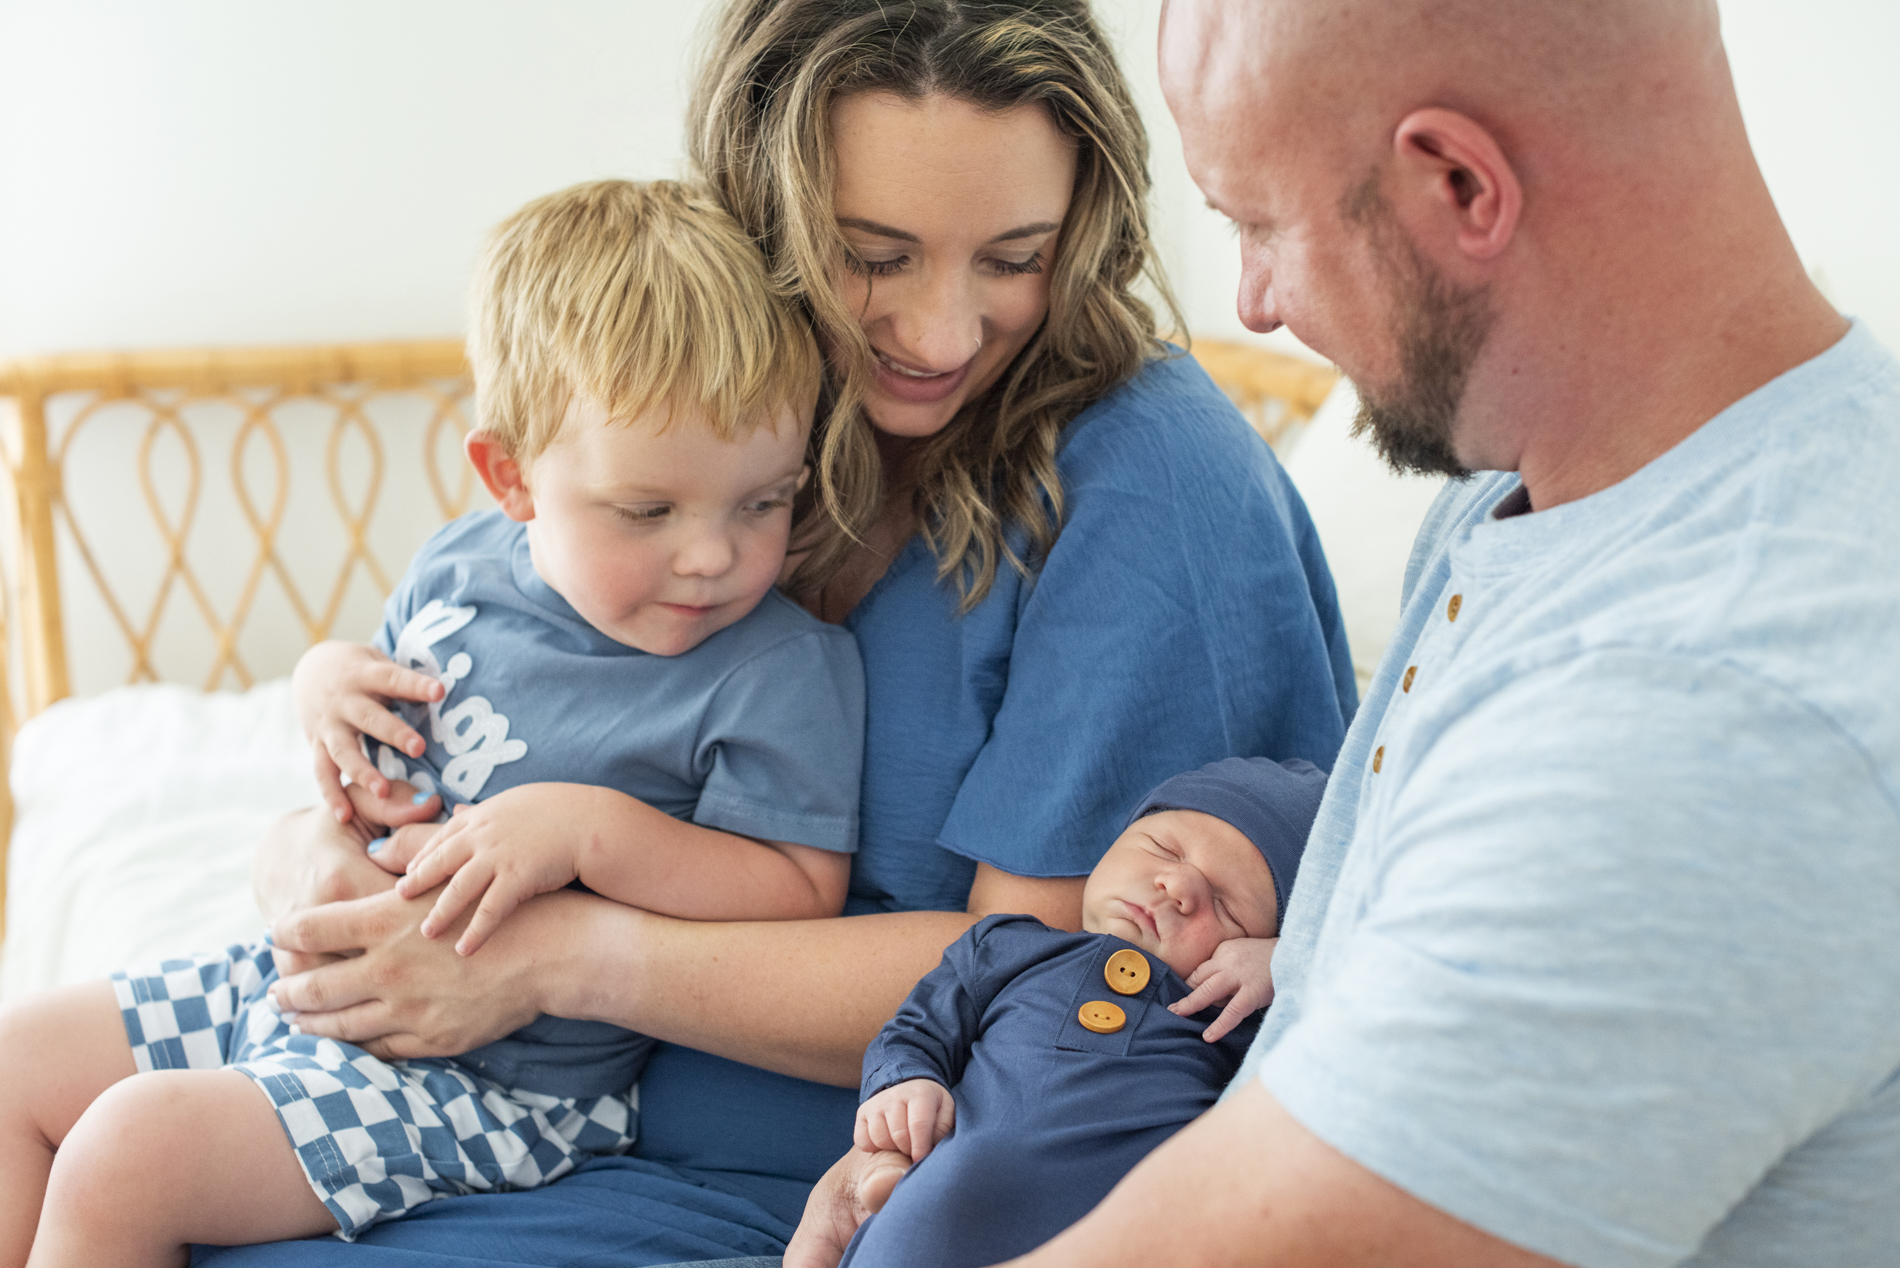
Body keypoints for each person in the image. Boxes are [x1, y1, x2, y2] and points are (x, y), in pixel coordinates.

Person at [195, 2, 1357, 1265]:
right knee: (97, 1149)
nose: (939, 333)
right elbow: (494, 725)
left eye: (1014, 257)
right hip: (560, 1113)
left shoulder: (1152, 486)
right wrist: (310, 854)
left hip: (844, 1187)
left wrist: (558, 961)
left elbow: (1046, 974)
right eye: (874, 255)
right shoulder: (749, 419)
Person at [790, 1, 1900, 1264]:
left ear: (1457, 185)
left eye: (1259, 224)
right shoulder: (1528, 499)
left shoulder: (1707, 712)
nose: (1252, 304)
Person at [0, 177, 865, 1266]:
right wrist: (322, 679)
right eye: (648, 509)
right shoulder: (457, 567)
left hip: (503, 1082)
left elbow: (796, 887)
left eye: (764, 500)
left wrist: (591, 830)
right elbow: (380, 710)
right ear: (511, 477)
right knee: (15, 1061)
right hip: (313, 973)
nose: (712, 553)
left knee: (127, 1152)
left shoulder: (779, 666)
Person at [840, 758, 1327, 1268]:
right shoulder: (1006, 947)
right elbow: (915, 1032)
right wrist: (904, 1084)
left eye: (1227, 906)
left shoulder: (1231, 1018)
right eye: (1163, 848)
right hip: (933, 1225)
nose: (1178, 887)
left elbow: (1336, 1072)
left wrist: (1291, 967)